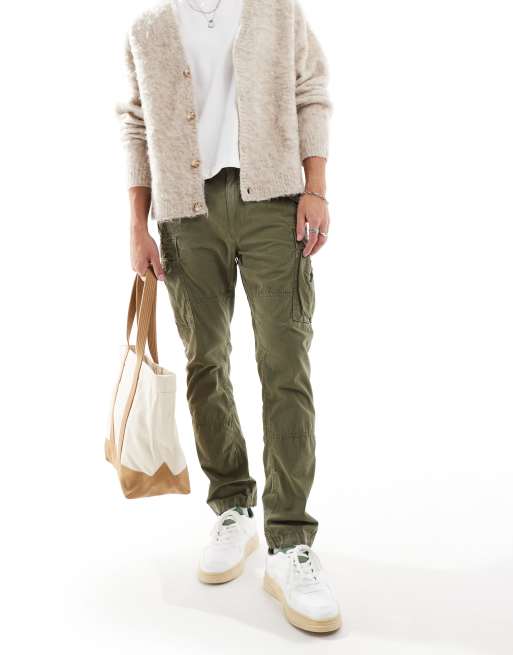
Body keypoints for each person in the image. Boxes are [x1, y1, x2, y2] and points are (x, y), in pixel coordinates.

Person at [116, 0, 340, 633]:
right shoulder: (149, 27)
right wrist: (137, 224)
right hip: (186, 213)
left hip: (273, 202)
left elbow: (311, 92)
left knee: (285, 364)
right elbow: (136, 124)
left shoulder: (277, 9)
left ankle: (290, 540)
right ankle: (232, 507)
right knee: (204, 363)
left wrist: (316, 188)